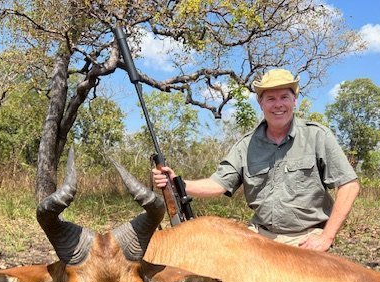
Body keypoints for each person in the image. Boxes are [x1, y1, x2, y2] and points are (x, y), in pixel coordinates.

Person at [152, 68, 360, 252]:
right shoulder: (246, 145)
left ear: (294, 100)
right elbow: (218, 184)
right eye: (270, 98)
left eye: (284, 97)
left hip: (305, 239)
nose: (278, 105)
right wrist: (178, 183)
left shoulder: (317, 136)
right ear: (261, 103)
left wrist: (326, 237)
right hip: (260, 236)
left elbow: (349, 186)